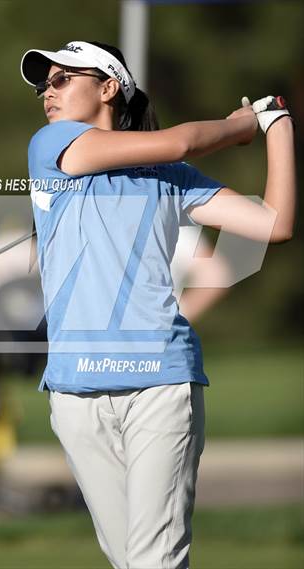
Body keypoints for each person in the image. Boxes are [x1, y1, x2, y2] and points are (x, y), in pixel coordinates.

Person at [20, 40, 296, 569]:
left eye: (61, 79)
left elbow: (274, 224)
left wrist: (276, 126)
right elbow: (180, 142)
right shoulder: (51, 145)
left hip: (159, 383)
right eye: (44, 85)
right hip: (75, 393)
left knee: (154, 560)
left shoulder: (172, 177)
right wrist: (240, 126)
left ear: (108, 88)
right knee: (130, 559)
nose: (47, 93)